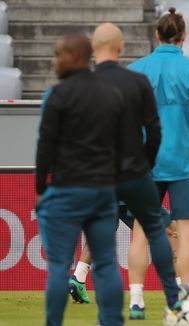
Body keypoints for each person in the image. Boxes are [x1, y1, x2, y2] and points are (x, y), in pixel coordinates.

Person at [66, 23, 183, 320]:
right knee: (164, 230)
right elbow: (153, 130)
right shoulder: (136, 81)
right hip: (133, 172)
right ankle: (179, 295)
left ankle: (79, 277)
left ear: (94, 49)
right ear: (121, 48)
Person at [129, 7, 189, 303]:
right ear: (184, 36)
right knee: (187, 232)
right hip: (183, 161)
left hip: (145, 162)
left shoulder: (136, 70)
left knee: (141, 230)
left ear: (157, 35)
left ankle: (137, 299)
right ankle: (187, 298)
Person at [36, 33, 124, 326]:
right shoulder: (111, 93)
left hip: (67, 190)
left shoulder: (57, 95)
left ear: (74, 57)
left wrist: (40, 189)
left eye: (58, 54)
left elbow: (45, 146)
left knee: (60, 267)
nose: (53, 60)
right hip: (103, 191)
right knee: (108, 265)